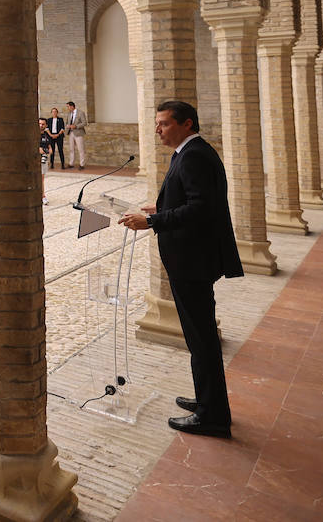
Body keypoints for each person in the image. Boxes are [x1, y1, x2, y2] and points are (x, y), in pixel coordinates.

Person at [119, 101, 243, 439]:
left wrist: (153, 220)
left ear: (187, 124)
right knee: (197, 337)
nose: (157, 130)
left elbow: (201, 208)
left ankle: (213, 415)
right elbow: (192, 198)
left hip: (193, 260)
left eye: (163, 123)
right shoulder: (189, 152)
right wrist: (162, 205)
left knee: (201, 339)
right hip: (189, 258)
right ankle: (208, 402)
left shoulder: (195, 155)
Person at [66, 101, 88, 170]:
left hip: (79, 133)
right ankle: (71, 163)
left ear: (72, 106)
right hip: (71, 133)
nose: (68, 108)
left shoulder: (80, 113)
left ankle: (82, 164)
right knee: (71, 149)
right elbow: (67, 122)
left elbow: (84, 123)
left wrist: (76, 126)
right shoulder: (69, 114)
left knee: (80, 149)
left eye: (68, 106)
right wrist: (67, 126)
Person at [38, 118, 52, 205]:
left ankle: (43, 196)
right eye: (39, 123)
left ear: (46, 125)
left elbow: (49, 145)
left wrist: (50, 150)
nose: (41, 125)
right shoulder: (34, 134)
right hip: (36, 159)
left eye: (43, 124)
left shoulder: (46, 135)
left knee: (42, 178)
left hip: (44, 159)